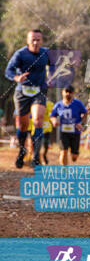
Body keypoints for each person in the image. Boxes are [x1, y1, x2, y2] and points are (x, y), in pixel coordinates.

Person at [5, 29, 51, 168]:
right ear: (28, 40)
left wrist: (53, 76)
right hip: (22, 92)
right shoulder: (20, 54)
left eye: (38, 39)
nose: (36, 42)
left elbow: (55, 65)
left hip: (39, 91)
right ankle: (22, 151)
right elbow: (9, 70)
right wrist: (17, 77)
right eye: (33, 39)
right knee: (23, 125)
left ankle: (36, 156)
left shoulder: (46, 53)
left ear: (41, 41)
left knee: (37, 120)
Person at [50, 86, 86, 165]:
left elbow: (85, 113)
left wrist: (82, 124)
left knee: (74, 156)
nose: (68, 94)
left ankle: (75, 154)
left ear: (73, 93)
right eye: (66, 91)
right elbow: (52, 116)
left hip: (75, 133)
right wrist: (54, 121)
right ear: (62, 92)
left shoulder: (78, 104)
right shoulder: (58, 105)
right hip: (63, 132)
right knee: (64, 151)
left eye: (70, 92)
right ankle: (64, 171)